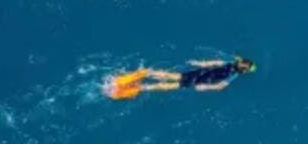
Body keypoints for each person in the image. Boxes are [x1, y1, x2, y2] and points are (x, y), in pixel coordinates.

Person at [104, 57, 256, 98]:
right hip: (198, 79)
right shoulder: (232, 72)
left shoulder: (229, 66)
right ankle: (142, 84)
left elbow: (213, 65)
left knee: (173, 78)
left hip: (197, 76)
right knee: (173, 83)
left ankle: (145, 75)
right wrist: (204, 87)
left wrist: (199, 64)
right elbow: (220, 84)